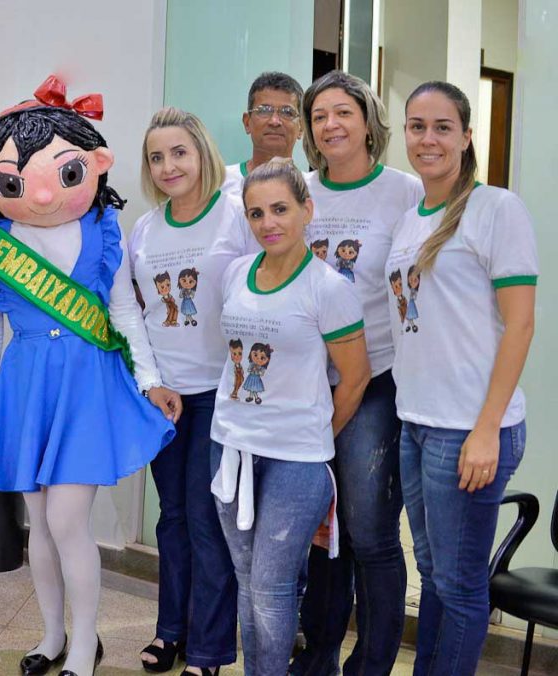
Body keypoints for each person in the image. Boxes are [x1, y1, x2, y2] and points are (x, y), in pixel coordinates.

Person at [0, 76, 177, 676]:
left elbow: (122, 310)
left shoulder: (103, 227)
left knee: (66, 519)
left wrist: (149, 379)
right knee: (39, 520)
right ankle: (52, 635)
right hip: (27, 380)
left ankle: (86, 642)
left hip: (87, 380)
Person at [387, 81, 536, 675]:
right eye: (417, 126)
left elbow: (520, 326)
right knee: (434, 576)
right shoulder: (409, 220)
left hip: (469, 429)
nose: (428, 139)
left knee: (461, 583)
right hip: (416, 422)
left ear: (467, 135)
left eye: (442, 126)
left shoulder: (495, 208)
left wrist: (486, 430)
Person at [211, 158, 370, 675]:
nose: (268, 223)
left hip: (297, 461)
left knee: (272, 588)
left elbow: (356, 377)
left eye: (280, 209)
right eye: (256, 214)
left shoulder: (329, 287)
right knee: (246, 579)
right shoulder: (237, 272)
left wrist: (315, 437)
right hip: (231, 448)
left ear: (307, 209)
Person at [290, 70, 423, 676]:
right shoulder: (300, 189)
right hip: (301, 385)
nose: (331, 125)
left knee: (368, 534)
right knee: (320, 535)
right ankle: (317, 658)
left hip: (373, 383)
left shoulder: (404, 192)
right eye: (319, 116)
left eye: (342, 112)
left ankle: (370, 665)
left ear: (367, 120)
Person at [129, 107, 249, 676]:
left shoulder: (235, 217)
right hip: (163, 396)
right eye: (157, 156)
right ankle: (169, 631)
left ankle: (208, 650)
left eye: (179, 152)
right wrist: (152, 384)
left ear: (202, 152)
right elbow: (132, 315)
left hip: (219, 395)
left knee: (206, 521)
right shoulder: (145, 230)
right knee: (171, 518)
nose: (169, 165)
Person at [222, 72, 304, 198]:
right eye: (264, 111)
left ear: (301, 128)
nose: (274, 121)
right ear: (247, 122)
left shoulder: (311, 190)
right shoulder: (219, 183)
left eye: (287, 112)